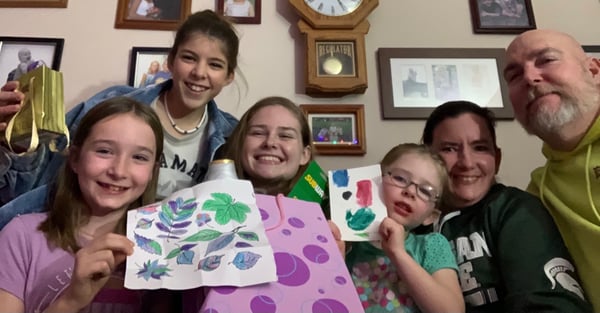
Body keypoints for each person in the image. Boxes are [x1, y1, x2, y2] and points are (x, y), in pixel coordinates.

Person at [0, 9, 241, 229]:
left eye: (215, 65)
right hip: (80, 239)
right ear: (170, 61)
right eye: (189, 58)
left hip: (168, 259)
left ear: (229, 76)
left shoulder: (232, 135)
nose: (199, 72)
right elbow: (45, 164)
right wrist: (12, 135)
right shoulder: (113, 104)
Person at [421, 100, 592, 312]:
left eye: (480, 148)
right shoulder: (413, 225)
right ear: (426, 159)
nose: (466, 162)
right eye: (449, 148)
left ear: (497, 158)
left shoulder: (514, 210)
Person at [0, 97, 164, 313]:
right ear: (75, 158)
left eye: (139, 157)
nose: (119, 171)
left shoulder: (162, 247)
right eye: (104, 151)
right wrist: (71, 301)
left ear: (153, 170)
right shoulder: (21, 236)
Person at [504, 29, 600, 310]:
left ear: (594, 71)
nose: (530, 78)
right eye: (513, 75)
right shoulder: (535, 197)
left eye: (546, 60)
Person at [332, 143, 464, 313]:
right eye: (400, 178)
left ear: (431, 217)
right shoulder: (346, 241)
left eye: (425, 191)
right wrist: (333, 259)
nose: (410, 191)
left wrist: (398, 253)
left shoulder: (431, 245)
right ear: (376, 180)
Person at [223, 96, 312, 195]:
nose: (270, 143)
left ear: (304, 154)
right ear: (240, 144)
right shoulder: (208, 200)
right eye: (258, 133)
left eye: (285, 135)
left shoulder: (327, 207)